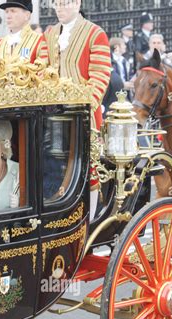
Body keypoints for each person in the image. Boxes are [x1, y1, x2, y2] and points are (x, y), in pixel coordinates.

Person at [44, 0, 111, 220]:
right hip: (53, 115)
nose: (60, 8)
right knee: (54, 166)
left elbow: (100, 76)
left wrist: (81, 108)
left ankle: (89, 220)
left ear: (77, 3)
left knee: (87, 169)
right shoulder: (50, 34)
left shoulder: (95, 34)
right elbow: (43, 71)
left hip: (84, 116)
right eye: (57, 4)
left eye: (64, 3)